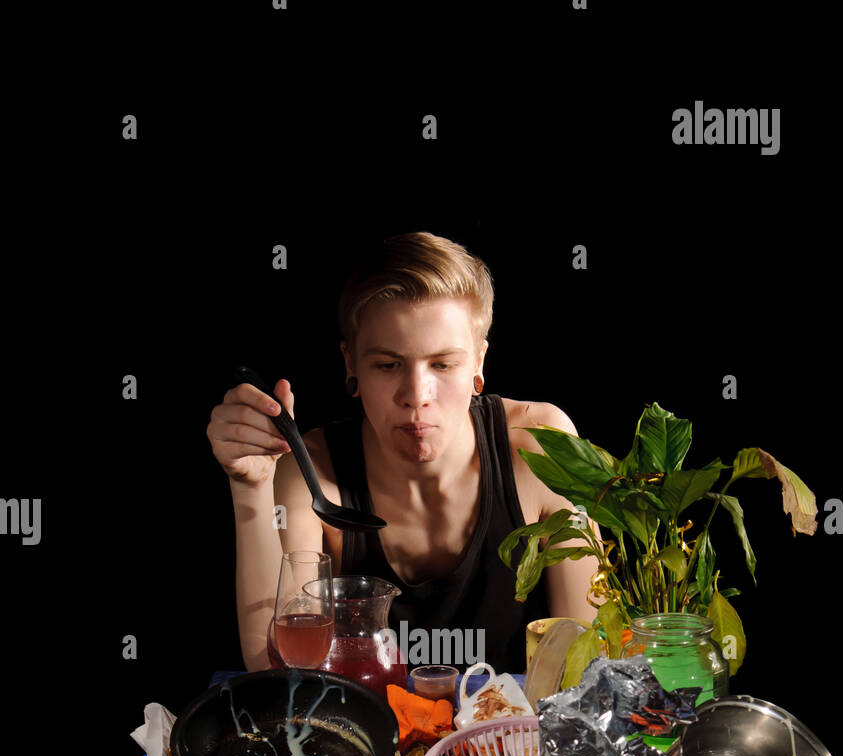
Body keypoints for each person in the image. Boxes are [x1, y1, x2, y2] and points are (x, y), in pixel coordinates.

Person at [207, 232, 600, 672]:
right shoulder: (312, 470)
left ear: (479, 364)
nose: (416, 395)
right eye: (388, 365)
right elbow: (277, 671)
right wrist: (250, 488)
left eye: (442, 364)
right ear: (351, 365)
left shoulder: (538, 445)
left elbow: (587, 666)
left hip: (512, 736)